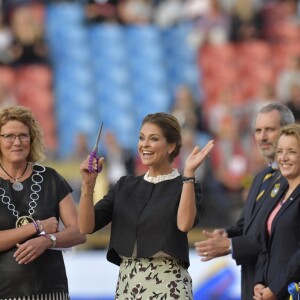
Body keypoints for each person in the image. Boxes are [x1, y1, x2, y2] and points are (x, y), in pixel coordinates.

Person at [78, 112, 214, 299]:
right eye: (141, 138)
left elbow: (184, 224)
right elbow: (86, 226)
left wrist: (189, 174)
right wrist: (88, 184)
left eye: (154, 139)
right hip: (127, 286)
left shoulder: (186, 185)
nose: (145, 145)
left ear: (171, 146)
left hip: (169, 286)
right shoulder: (124, 185)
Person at [194, 103, 295, 300]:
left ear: (287, 132)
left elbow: (273, 238)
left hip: (278, 287)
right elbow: (246, 225)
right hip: (252, 285)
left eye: (270, 130)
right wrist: (226, 235)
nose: (262, 137)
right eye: (258, 130)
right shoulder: (261, 177)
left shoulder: (292, 179)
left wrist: (230, 245)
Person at [0, 105, 86, 300]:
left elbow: (79, 232)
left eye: (23, 135)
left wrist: (48, 240)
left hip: (52, 291)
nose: (17, 142)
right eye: (8, 136)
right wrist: (37, 227)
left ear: (32, 139)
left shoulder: (50, 178)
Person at [253, 123, 300, 300]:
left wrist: (275, 288)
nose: (284, 158)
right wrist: (259, 282)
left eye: (292, 151)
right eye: (280, 151)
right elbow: (266, 244)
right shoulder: (279, 193)